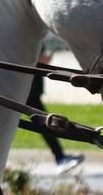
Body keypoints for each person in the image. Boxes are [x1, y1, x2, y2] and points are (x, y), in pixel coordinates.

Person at [29, 46, 84, 174]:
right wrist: (56, 47)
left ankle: (60, 158)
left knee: (43, 123)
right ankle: (60, 158)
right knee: (44, 123)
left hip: (29, 89)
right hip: (27, 90)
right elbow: (43, 60)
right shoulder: (33, 37)